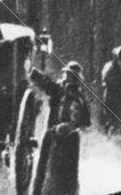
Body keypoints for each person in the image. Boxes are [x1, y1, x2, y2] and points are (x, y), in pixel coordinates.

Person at [29, 61, 90, 195]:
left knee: (62, 175)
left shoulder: (76, 95)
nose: (66, 76)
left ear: (74, 78)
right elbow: (47, 85)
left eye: (69, 75)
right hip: (53, 136)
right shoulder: (61, 88)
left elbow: (80, 118)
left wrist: (69, 126)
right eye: (66, 74)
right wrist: (34, 73)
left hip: (67, 141)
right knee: (47, 170)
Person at [100, 45, 121, 133]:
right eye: (120, 56)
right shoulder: (110, 66)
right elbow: (106, 80)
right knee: (112, 117)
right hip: (112, 96)